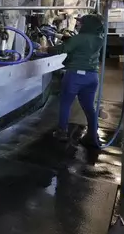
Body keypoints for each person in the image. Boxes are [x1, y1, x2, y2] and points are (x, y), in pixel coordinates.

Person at [40, 13, 105, 147]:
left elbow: (63, 48)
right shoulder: (99, 39)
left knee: (65, 104)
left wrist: (45, 48)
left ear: (87, 25)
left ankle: (62, 132)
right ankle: (93, 135)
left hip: (75, 76)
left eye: (81, 23)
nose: (78, 24)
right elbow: (74, 41)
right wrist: (57, 35)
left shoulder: (79, 38)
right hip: (92, 77)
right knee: (89, 108)